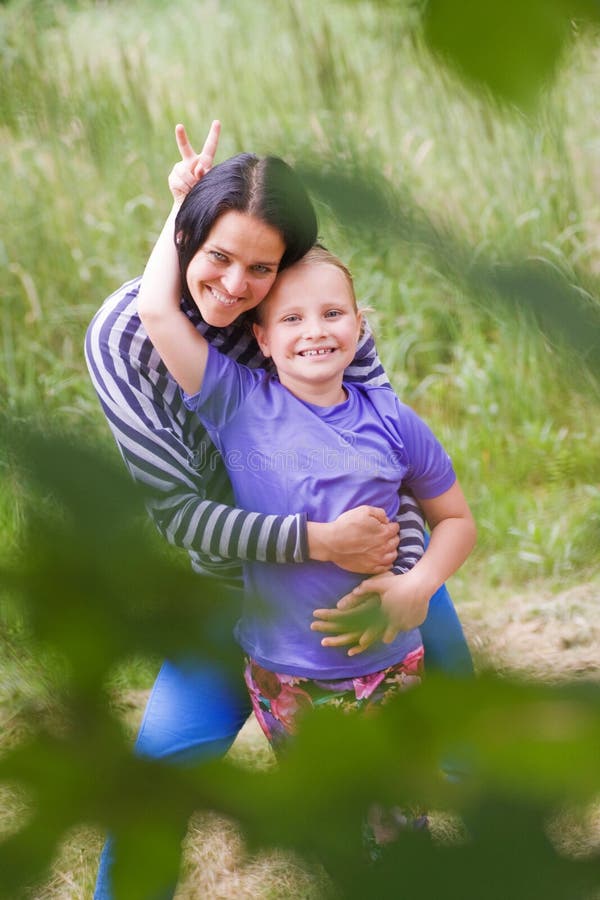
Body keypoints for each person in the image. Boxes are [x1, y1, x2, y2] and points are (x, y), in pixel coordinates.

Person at [85, 121, 474, 897]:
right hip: (237, 591)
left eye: (260, 268)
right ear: (186, 238)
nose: (235, 285)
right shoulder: (129, 343)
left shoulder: (306, 304)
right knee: (158, 781)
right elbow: (183, 517)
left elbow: (389, 451)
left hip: (368, 578)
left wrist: (410, 580)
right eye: (218, 258)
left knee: (445, 761)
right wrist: (318, 541)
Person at [138, 239, 476, 843]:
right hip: (281, 677)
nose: (314, 331)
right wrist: (180, 209)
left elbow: (455, 520)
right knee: (333, 834)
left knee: (398, 827)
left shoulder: (393, 420)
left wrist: (418, 584)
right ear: (261, 339)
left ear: (358, 325)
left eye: (332, 313)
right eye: (291, 318)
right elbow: (157, 312)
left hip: (390, 668)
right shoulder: (237, 402)